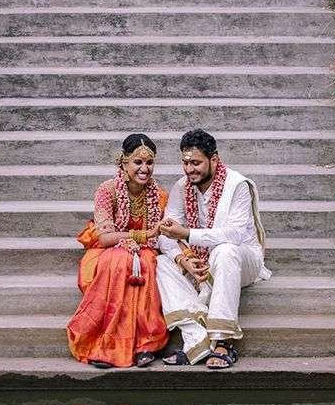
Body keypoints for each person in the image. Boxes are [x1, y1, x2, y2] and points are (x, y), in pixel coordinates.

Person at [155, 129, 270, 369]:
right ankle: (197, 340)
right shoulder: (182, 186)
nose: (189, 169)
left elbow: (234, 235)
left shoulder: (237, 185)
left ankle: (223, 341)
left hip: (243, 258)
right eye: (185, 163)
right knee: (162, 262)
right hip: (199, 260)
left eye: (196, 163)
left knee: (225, 251)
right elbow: (166, 234)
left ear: (214, 160)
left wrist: (187, 234)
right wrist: (184, 259)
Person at [67, 132, 171, 369]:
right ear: (123, 162)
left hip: (145, 249)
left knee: (146, 263)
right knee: (118, 261)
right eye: (138, 162)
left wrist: (143, 241)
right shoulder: (107, 190)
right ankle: (107, 344)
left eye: (149, 162)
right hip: (107, 249)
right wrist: (140, 235)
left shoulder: (159, 195)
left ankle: (145, 344)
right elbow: (105, 238)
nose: (145, 169)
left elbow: (160, 236)